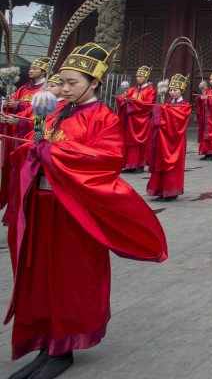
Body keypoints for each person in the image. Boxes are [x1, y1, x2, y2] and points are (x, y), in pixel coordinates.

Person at [5, 43, 167, 379]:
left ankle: (63, 350)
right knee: (40, 276)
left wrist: (52, 153)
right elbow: (32, 150)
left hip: (73, 212)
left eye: (71, 83)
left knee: (68, 278)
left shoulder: (103, 118)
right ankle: (45, 344)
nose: (63, 89)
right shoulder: (55, 112)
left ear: (94, 83)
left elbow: (105, 161)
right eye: (60, 82)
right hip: (42, 209)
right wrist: (34, 132)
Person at [1, 57, 49, 214]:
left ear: (44, 71)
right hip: (16, 132)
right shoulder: (23, 88)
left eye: (36, 68)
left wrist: (20, 106)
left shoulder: (46, 89)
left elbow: (38, 111)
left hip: (29, 135)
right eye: (30, 68)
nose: (31, 70)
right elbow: (15, 103)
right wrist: (9, 107)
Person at [146, 73, 192, 202]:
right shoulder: (167, 104)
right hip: (163, 139)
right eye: (170, 90)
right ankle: (159, 190)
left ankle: (171, 192)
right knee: (160, 162)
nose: (172, 93)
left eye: (175, 90)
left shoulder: (185, 105)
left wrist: (163, 110)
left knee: (173, 166)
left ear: (181, 90)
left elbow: (178, 119)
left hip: (175, 141)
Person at [116, 65, 156, 172]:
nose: (138, 78)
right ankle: (129, 165)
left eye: (141, 77)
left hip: (142, 120)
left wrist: (132, 102)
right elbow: (123, 98)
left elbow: (149, 104)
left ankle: (140, 165)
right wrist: (122, 99)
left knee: (141, 143)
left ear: (146, 78)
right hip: (131, 120)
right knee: (129, 142)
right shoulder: (131, 90)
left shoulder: (150, 90)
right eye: (137, 76)